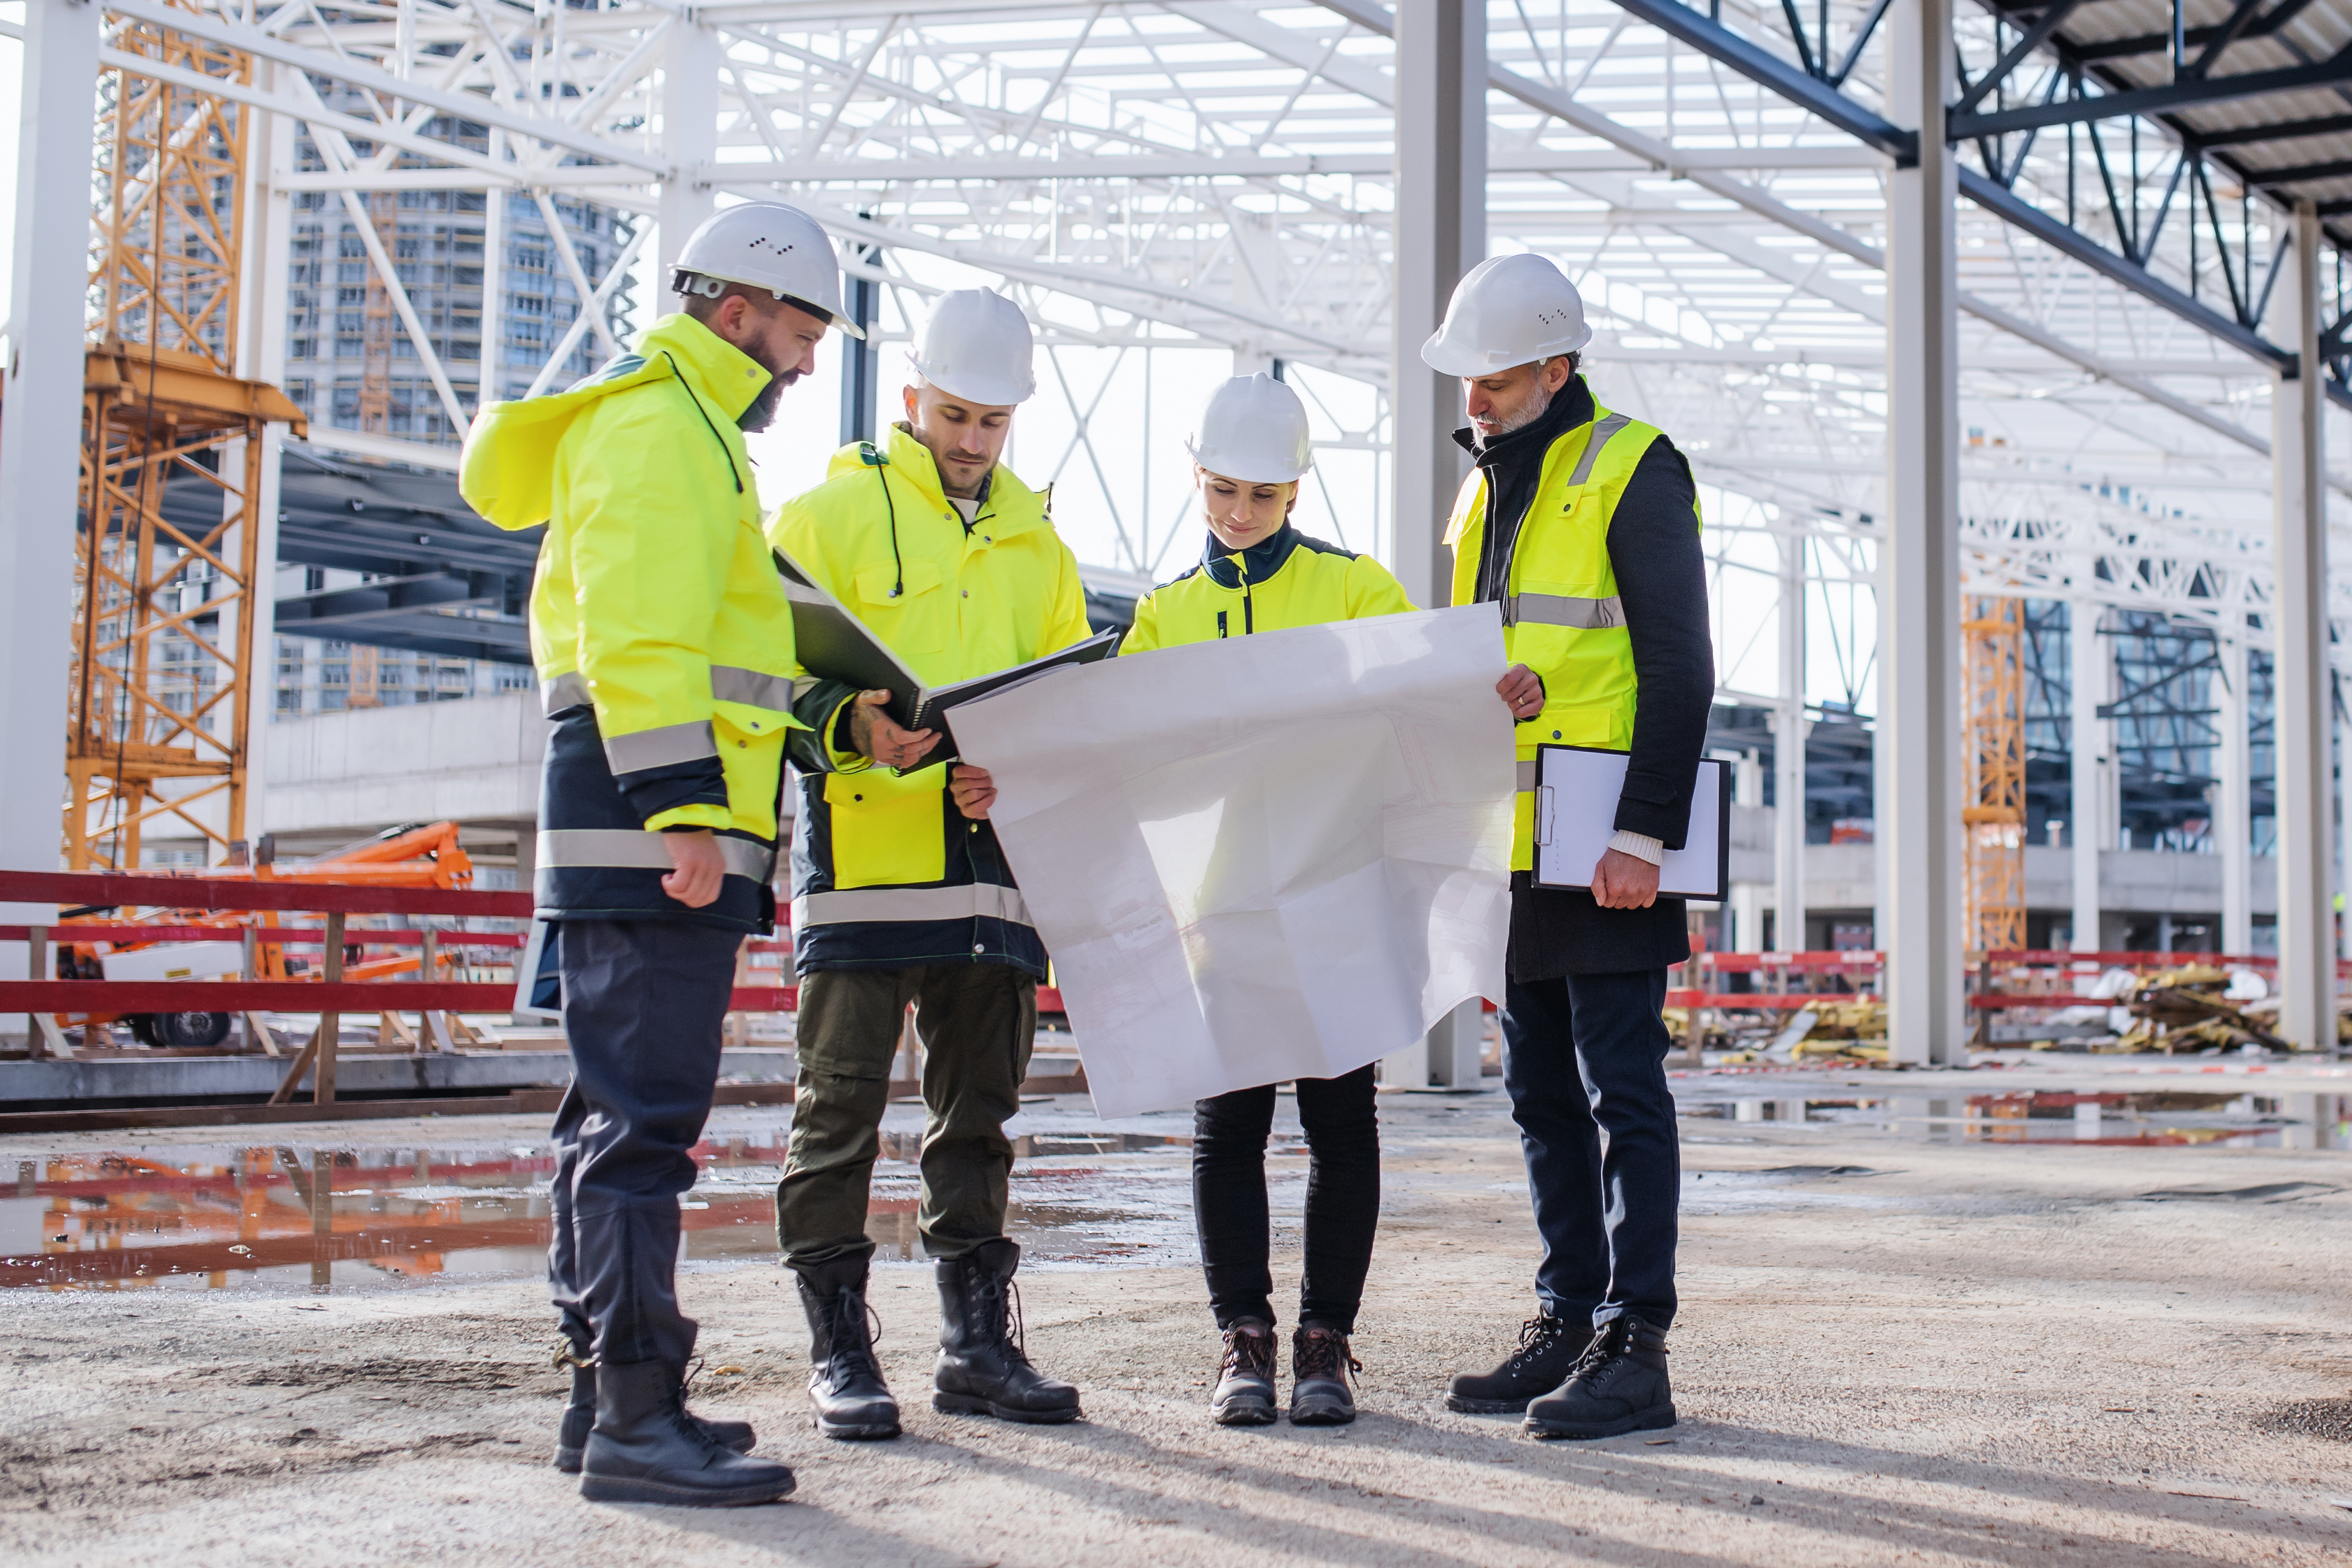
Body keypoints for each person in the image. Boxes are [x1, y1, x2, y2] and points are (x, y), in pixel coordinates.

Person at [461, 200, 859, 1508]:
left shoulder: (681, 431)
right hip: (651, 829)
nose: (804, 364)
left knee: (610, 1123)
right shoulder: (656, 430)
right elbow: (638, 641)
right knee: (641, 1132)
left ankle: (606, 1400)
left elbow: (723, 644)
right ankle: (637, 1415)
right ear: (737, 312)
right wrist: (686, 811)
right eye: (798, 334)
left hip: (647, 824)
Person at [770, 287, 1092, 1439]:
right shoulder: (827, 517)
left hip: (991, 871)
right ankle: (842, 1349)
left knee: (978, 1122)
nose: (970, 441)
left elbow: (1066, 711)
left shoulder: (1041, 552)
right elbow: (758, 671)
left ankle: (977, 1347)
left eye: (992, 423)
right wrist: (847, 723)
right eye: (954, 415)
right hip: (864, 862)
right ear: (912, 400)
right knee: (838, 1110)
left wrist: (1024, 768)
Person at [1426, 253, 1715, 1440]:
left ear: (1555, 367)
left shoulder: (1635, 468)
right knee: (1542, 1097)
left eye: (1493, 380)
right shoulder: (1481, 494)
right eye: (1467, 382)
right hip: (1514, 841)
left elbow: (1681, 663)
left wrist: (1646, 833)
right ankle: (1567, 1313)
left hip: (1604, 841)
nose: (1475, 401)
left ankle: (1636, 1341)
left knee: (1622, 1092)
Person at [1119, 374, 1418, 1427]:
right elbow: (1123, 754)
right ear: (1197, 478)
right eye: (1221, 490)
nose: (1240, 513)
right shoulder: (1164, 614)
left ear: (1298, 487)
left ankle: (1327, 1341)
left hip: (1339, 897)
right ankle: (1242, 1339)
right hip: (1227, 907)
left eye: (1262, 493)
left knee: (1343, 1124)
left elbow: (1420, 708)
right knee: (1229, 1126)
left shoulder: (1358, 589)